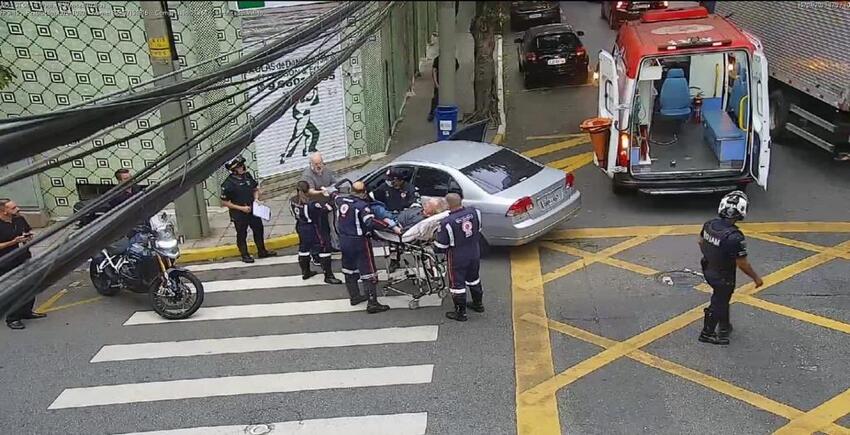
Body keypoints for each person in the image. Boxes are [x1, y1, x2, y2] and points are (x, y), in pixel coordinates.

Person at [698, 190, 763, 345]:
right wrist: (756, 278)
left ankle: (724, 326)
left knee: (722, 299)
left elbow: (701, 242)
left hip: (708, 267)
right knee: (719, 301)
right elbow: (742, 263)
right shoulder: (735, 237)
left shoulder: (709, 225)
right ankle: (706, 333)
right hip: (723, 275)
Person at [334, 181, 393, 313]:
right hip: (359, 242)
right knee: (368, 271)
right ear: (364, 193)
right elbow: (369, 222)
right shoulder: (362, 206)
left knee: (349, 269)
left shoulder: (340, 200)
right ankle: (372, 303)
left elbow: (332, 193)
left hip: (344, 240)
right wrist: (386, 225)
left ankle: (354, 296)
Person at [434, 193, 484, 322]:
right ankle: (478, 304)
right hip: (474, 251)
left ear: (448, 205)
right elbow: (478, 229)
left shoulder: (446, 222)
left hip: (457, 256)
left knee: (457, 284)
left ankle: (460, 313)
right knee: (474, 279)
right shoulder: (474, 212)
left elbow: (441, 246)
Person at [220, 155, 277, 264]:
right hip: (239, 213)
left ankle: (262, 251)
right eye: (240, 166)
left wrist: (256, 199)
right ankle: (244, 254)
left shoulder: (247, 176)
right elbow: (224, 202)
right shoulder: (228, 184)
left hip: (252, 209)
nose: (243, 167)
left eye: (242, 165)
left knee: (258, 229)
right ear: (234, 170)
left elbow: (255, 189)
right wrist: (241, 208)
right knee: (242, 233)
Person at [0, 199, 44, 330]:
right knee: (15, 290)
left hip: (24, 257)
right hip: (6, 262)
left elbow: (27, 231)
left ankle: (26, 312)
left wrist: (28, 237)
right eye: (13, 208)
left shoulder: (19, 219)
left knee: (31, 284)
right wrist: (13, 242)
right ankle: (12, 318)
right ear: (3, 211)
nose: (17, 209)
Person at [290, 181, 342, 284]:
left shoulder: (292, 200)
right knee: (324, 249)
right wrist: (329, 197)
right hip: (313, 228)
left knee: (303, 249)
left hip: (301, 226)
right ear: (308, 190)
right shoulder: (311, 204)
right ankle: (328, 276)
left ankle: (306, 272)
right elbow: (326, 209)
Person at [301, 152, 340, 251]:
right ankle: (323, 247)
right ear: (311, 164)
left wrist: (332, 189)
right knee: (320, 227)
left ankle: (334, 245)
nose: (319, 166)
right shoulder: (307, 174)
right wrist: (321, 192)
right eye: (316, 164)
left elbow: (334, 182)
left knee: (333, 224)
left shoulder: (327, 170)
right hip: (316, 206)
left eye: (320, 163)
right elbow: (309, 191)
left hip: (329, 203)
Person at [427, 55, 460, 122]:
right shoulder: (438, 59)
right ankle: (432, 113)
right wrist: (436, 83)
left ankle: (437, 113)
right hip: (441, 82)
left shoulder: (452, 59)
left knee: (439, 98)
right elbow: (434, 71)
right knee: (436, 98)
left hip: (445, 82)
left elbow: (456, 69)